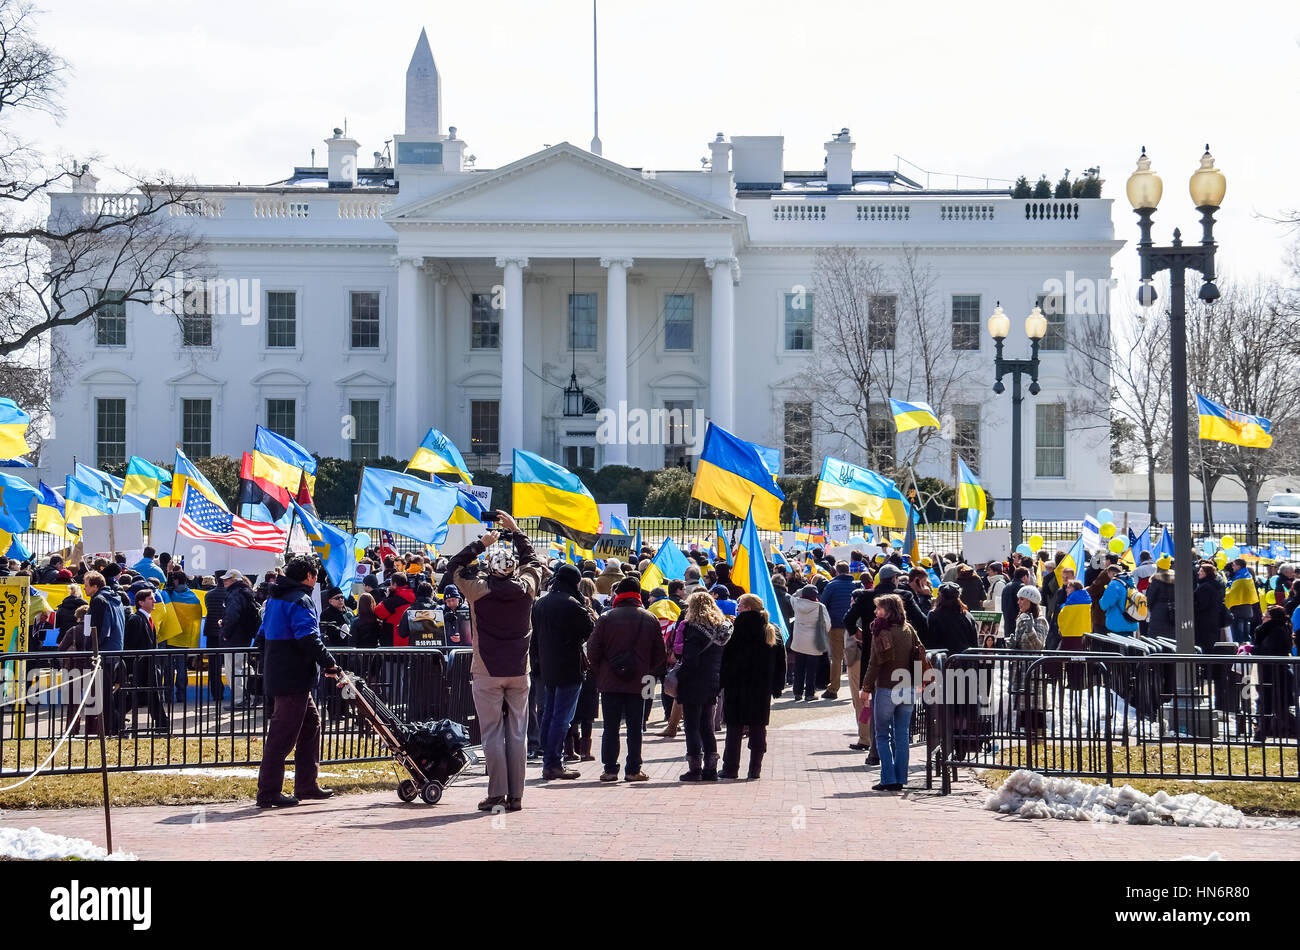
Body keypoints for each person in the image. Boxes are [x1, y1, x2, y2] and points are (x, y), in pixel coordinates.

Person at [446, 511, 543, 813]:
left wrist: (481, 543)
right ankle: (516, 796)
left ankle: (497, 793)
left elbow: (454, 567)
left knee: (491, 734)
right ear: (514, 569)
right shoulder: (527, 586)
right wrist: (515, 531)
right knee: (517, 733)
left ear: (489, 568)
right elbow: (535, 562)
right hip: (518, 669)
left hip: (486, 669)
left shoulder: (478, 590)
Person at [255, 557, 340, 808]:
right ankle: (268, 792)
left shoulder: (274, 598)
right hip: (293, 676)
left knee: (311, 725)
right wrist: (329, 662)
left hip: (282, 673)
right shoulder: (300, 600)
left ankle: (306, 784)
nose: (317, 581)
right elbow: (308, 638)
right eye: (315, 576)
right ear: (309, 576)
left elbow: (261, 637)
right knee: (282, 736)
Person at [586, 576, 667, 783]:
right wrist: (649, 673)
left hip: (610, 681)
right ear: (639, 594)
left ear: (618, 594)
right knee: (635, 727)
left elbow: (593, 650)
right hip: (641, 681)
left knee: (610, 727)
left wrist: (601, 671)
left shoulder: (606, 617)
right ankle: (633, 769)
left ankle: (610, 769)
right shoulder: (650, 618)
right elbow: (660, 654)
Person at [531, 563, 595, 780]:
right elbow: (589, 630)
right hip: (569, 665)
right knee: (562, 716)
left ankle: (549, 759)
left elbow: (534, 637)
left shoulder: (541, 603)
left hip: (548, 665)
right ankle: (553, 762)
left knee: (549, 713)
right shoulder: (571, 604)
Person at [718, 593, 786, 780]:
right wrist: (778, 686)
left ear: (747, 608)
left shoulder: (735, 629)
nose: (737, 608)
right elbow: (781, 661)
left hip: (736, 686)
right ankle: (755, 769)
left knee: (734, 729)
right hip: (761, 688)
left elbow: (725, 660)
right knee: (758, 728)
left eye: (739, 605)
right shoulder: (772, 630)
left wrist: (720, 684)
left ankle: (730, 768)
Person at [862, 593, 921, 792]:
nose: (875, 612)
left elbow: (875, 663)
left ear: (888, 610)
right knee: (902, 734)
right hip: (908, 687)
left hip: (887, 688)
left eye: (879, 608)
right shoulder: (908, 629)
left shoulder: (882, 631)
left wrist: (866, 688)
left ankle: (888, 778)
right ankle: (900, 778)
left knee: (882, 735)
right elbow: (920, 652)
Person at [673, 590, 733, 781]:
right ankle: (711, 768)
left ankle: (695, 768)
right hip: (713, 681)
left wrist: (679, 676)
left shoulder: (694, 628)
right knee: (707, 726)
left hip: (694, 682)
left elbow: (691, 661)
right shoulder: (721, 628)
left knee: (691, 726)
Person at [123, 586, 170, 734]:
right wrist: (131, 668)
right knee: (139, 696)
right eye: (150, 598)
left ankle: (161, 724)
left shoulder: (148, 619)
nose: (154, 601)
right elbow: (130, 645)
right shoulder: (136, 619)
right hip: (140, 666)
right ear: (141, 602)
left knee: (149, 695)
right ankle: (162, 724)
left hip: (149, 665)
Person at [219, 570, 261, 709]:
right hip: (245, 637)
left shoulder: (235, 594)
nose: (224, 581)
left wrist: (225, 631)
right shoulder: (246, 592)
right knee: (245, 668)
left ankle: (239, 700)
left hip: (235, 638)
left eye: (227, 579)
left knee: (234, 669)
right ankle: (255, 695)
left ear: (234, 580)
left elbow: (233, 615)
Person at [818, 561, 856, 699]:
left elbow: (823, 604)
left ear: (836, 571)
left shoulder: (832, 585)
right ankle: (857, 686)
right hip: (853, 627)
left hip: (836, 625)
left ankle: (833, 688)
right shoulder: (856, 585)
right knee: (854, 658)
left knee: (836, 658)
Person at [789, 585, 830, 702]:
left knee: (799, 668)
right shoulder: (820, 607)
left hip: (799, 641)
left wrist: (801, 590)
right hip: (814, 642)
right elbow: (828, 625)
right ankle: (809, 694)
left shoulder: (796, 603)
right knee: (811, 669)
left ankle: (797, 693)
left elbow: (793, 595)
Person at [926, 582, 978, 655]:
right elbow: (974, 642)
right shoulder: (967, 615)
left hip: (944, 661)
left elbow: (932, 640)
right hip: (966, 660)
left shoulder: (934, 615)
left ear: (940, 596)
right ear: (958, 597)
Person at [374, 572, 415, 647]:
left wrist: (387, 597)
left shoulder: (393, 601)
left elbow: (378, 612)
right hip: (411, 640)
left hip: (394, 640)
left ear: (395, 584)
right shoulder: (414, 596)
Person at [1098, 565, 1138, 636]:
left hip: (1117, 624)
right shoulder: (1131, 584)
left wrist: (1101, 601)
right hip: (1132, 622)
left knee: (1116, 646)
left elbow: (1104, 605)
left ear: (1112, 574)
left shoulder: (1114, 584)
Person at [1146, 556, 1176, 641]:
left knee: (1157, 639)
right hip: (1173, 612)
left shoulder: (1156, 580)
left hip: (1158, 612)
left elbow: (1150, 599)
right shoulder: (1175, 580)